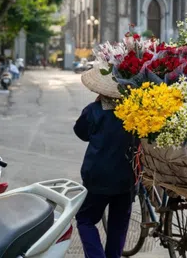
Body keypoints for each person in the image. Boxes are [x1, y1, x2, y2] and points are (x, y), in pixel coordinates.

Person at [74, 67, 136, 258]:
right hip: (126, 178)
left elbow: (81, 132)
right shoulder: (136, 112)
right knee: (119, 225)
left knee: (85, 219)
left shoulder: (93, 110)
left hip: (97, 177)